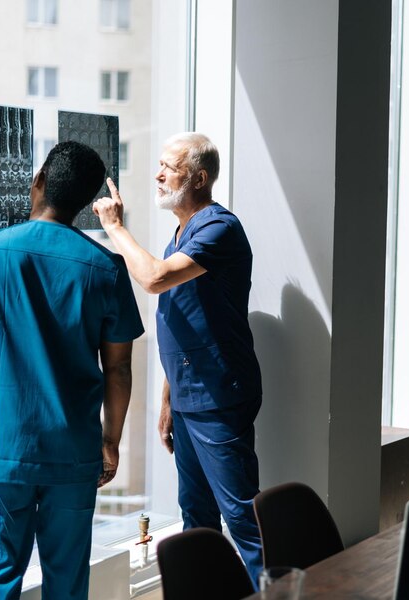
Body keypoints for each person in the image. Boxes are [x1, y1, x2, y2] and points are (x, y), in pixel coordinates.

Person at [0, 141, 144, 599]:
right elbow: (118, 371)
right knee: (67, 583)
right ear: (85, 203)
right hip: (74, 451)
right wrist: (110, 440)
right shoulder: (106, 269)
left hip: (1, 450)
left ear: (38, 181)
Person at [93, 132, 263, 585]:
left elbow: (152, 279)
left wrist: (115, 228)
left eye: (170, 166)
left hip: (218, 396)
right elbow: (185, 320)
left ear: (199, 178)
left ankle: (279, 592)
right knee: (197, 516)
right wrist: (169, 399)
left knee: (243, 518)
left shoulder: (218, 228)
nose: (158, 173)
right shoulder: (181, 236)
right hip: (190, 398)